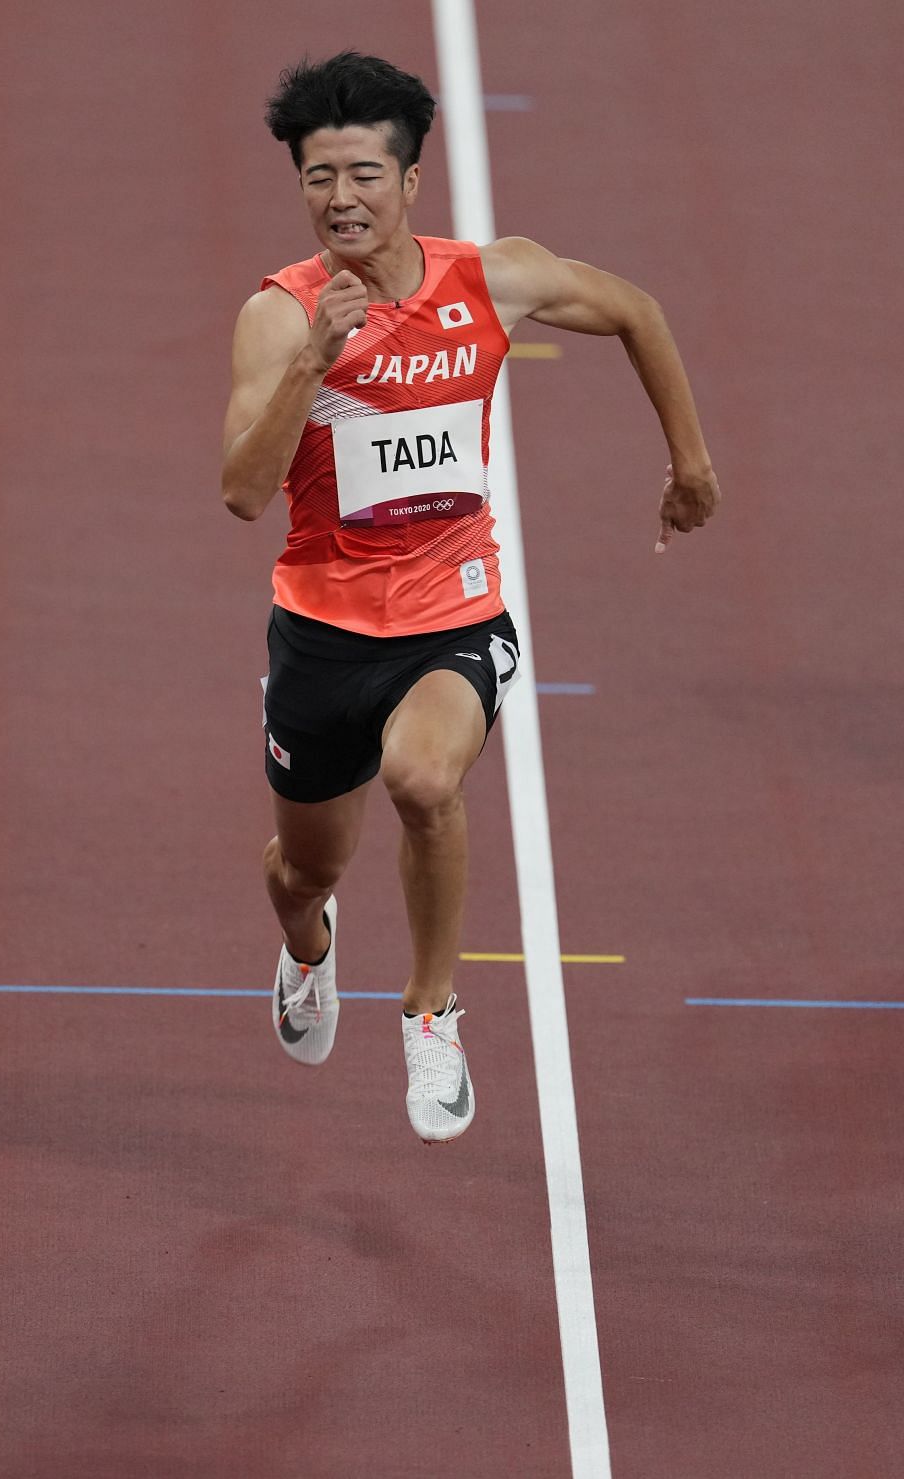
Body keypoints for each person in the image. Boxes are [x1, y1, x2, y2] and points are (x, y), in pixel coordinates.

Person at [221, 55, 718, 1142]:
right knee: (306, 871)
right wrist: (315, 363)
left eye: (360, 174)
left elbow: (636, 309)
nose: (339, 198)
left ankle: (431, 1009)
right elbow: (242, 495)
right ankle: (310, 950)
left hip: (455, 613)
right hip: (321, 634)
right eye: (317, 179)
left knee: (423, 776)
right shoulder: (277, 316)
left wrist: (690, 463)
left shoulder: (492, 279)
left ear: (409, 182)